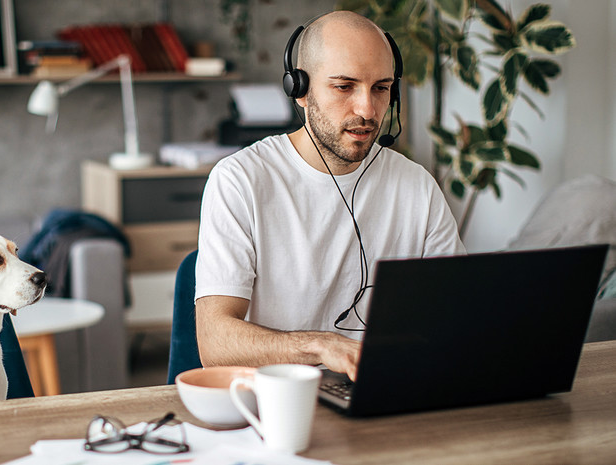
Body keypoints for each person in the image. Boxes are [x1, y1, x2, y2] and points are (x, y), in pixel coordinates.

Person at [194, 11, 465, 381]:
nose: (367, 110)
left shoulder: (415, 184)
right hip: (279, 404)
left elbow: (456, 313)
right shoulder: (240, 180)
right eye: (344, 87)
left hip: (384, 390)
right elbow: (215, 344)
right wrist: (321, 346)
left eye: (381, 88)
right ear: (300, 90)